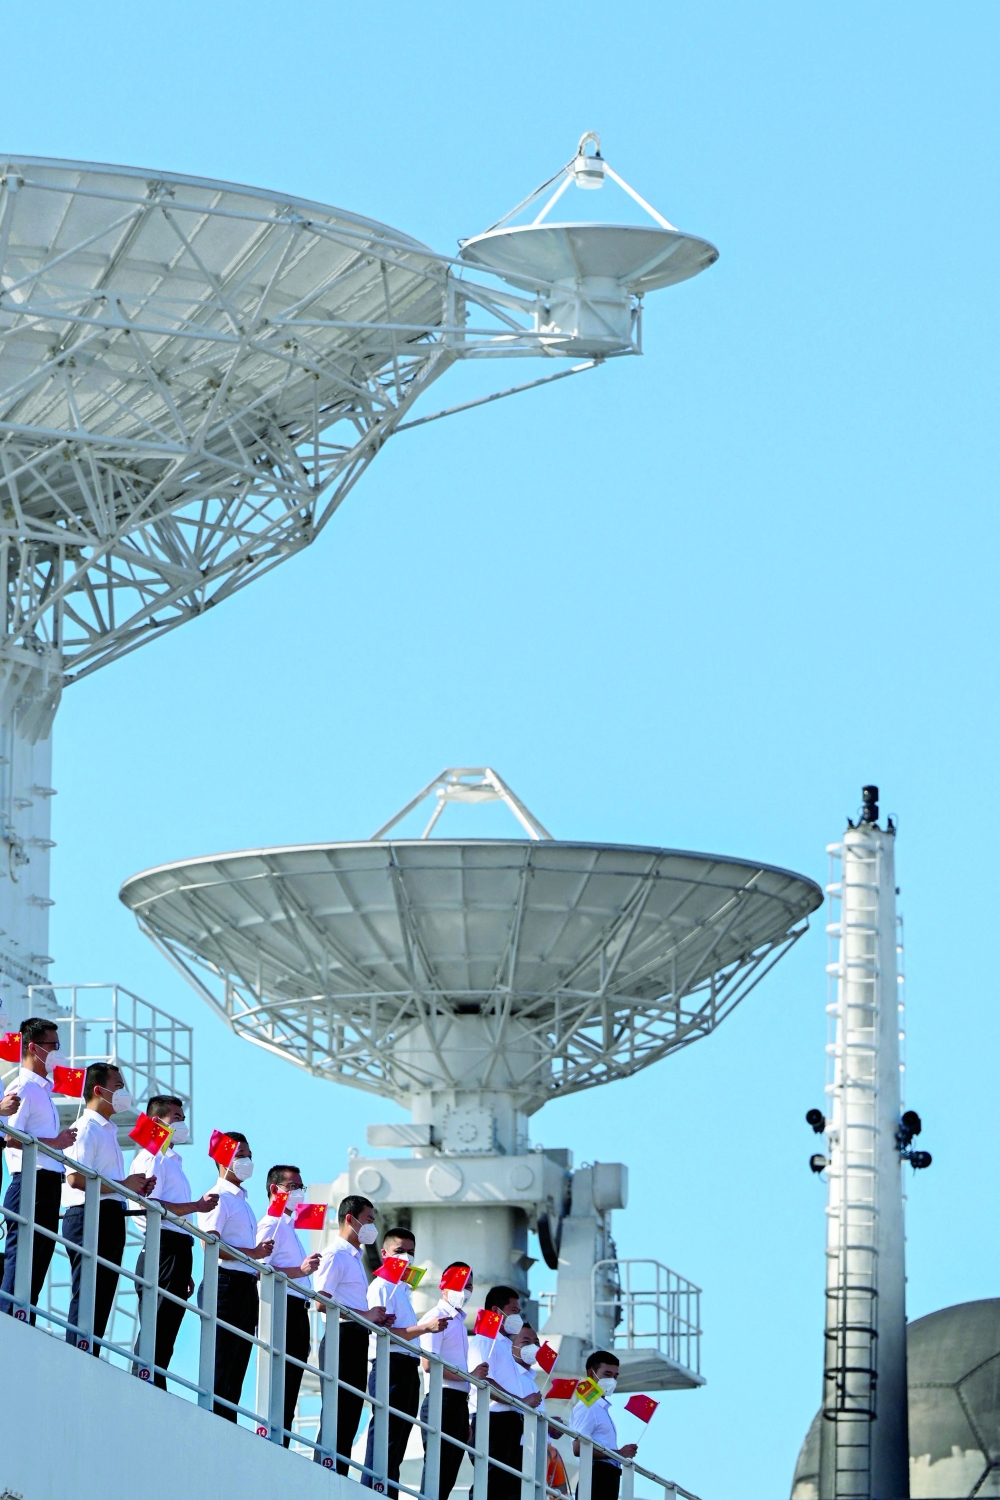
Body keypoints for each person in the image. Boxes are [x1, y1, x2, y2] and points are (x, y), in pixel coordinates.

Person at [63, 1062, 154, 1353]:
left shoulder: (107, 1130)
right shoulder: (87, 1127)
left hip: (110, 1215)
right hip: (90, 1215)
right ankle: (77, 1349)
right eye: (117, 1086)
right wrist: (123, 1185)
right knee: (89, 1289)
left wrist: (131, 1186)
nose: (122, 1092)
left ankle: (90, 1349)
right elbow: (76, 1178)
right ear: (98, 1090)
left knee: (103, 1291)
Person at [131, 1094, 218, 1387]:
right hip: (163, 1246)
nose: (182, 1124)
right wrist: (196, 1206)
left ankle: (154, 1380)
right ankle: (144, 1380)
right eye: (176, 1118)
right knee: (158, 1324)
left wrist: (184, 1268)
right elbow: (150, 1206)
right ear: (157, 1122)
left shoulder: (171, 1161)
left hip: (176, 1250)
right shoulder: (153, 1159)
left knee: (167, 1327)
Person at [0, 1018, 77, 1320]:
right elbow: (10, 1138)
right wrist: (55, 1141)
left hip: (46, 1184)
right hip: (29, 1183)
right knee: (22, 1258)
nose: (58, 1052)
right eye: (53, 1046)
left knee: (39, 1258)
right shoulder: (24, 1087)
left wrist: (55, 1143)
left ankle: (23, 1318)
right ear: (33, 1047)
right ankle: (9, 1318)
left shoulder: (41, 1090)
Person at [362, 1227, 449, 1496]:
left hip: (407, 1367)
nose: (407, 1258)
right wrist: (425, 1328)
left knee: (399, 1438)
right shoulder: (382, 1287)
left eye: (411, 1253)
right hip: (391, 1365)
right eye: (400, 1252)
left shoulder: (401, 1290)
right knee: (386, 1435)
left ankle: (387, 1491)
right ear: (385, 1253)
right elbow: (385, 1334)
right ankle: (372, 1490)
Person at [312, 1195, 394, 1475]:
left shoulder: (354, 1257)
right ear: (351, 1218)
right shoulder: (335, 1254)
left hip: (355, 1338)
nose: (372, 1226)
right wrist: (365, 1315)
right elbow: (320, 1301)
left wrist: (373, 1316)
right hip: (341, 1338)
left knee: (350, 1416)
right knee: (337, 1413)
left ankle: (338, 1476)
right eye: (369, 1220)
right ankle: (323, 1475)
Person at [196, 1131, 274, 1419]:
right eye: (240, 1155)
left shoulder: (241, 1200)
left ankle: (227, 1420)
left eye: (249, 1155)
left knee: (239, 1361)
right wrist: (252, 1254)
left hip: (243, 1287)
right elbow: (210, 1244)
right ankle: (214, 1419)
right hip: (224, 1284)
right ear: (223, 1158)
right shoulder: (218, 1196)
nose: (247, 1161)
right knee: (221, 1361)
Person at [256, 1164, 321, 1444]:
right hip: (281, 1308)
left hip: (296, 1309)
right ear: (276, 1190)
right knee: (282, 1378)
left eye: (300, 1188)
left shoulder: (287, 1224)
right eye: (293, 1187)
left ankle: (281, 1436)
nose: (299, 1193)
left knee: (292, 1378)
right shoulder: (271, 1223)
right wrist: (301, 1271)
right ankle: (274, 1436)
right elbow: (259, 1268)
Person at [419, 1263, 489, 1500]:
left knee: (449, 1472)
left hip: (458, 1403)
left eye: (469, 1285)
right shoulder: (436, 1316)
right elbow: (429, 1364)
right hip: (442, 1399)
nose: (465, 1290)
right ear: (444, 1287)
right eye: (460, 1284)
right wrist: (470, 1376)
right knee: (438, 1470)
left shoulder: (458, 1322)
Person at [470, 1285, 541, 1500]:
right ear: (496, 1310)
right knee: (491, 1481)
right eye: (514, 1311)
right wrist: (521, 1402)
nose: (517, 1316)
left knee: (507, 1485)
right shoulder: (484, 1341)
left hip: (509, 1422)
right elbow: (482, 1381)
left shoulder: (504, 1346)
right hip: (492, 1420)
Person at [569, 1351, 637, 1500]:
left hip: (608, 1476)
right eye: (607, 1374)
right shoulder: (588, 1407)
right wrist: (619, 1453)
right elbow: (578, 1448)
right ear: (591, 1374)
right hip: (597, 1476)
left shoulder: (599, 1409)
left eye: (615, 1376)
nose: (612, 1380)